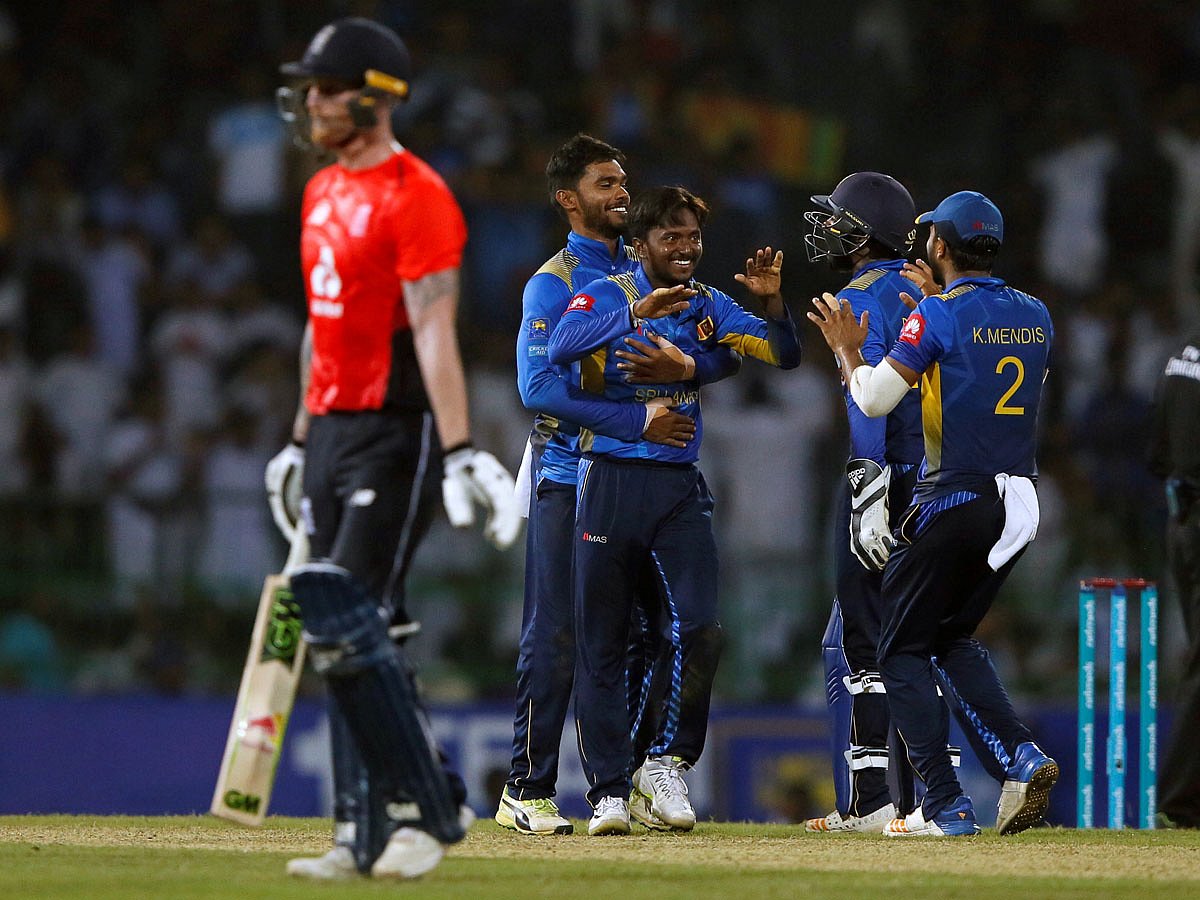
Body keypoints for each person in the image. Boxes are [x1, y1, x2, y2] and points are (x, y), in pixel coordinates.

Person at [265, 17, 521, 880]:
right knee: (354, 630)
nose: (310, 101)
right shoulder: (321, 191)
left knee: (351, 618)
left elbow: (435, 329)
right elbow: (320, 324)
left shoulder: (418, 193)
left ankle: (429, 807)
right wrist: (298, 438)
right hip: (333, 430)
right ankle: (359, 832)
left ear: (372, 97)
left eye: (325, 87)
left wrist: (457, 449)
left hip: (394, 428)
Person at [499, 135, 740, 836]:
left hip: (648, 479)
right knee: (561, 636)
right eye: (605, 184)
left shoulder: (655, 270)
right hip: (567, 474)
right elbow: (537, 386)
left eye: (624, 181)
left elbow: (719, 353)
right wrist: (637, 420)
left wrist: (692, 371)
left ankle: (631, 777)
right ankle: (527, 786)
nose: (621, 193)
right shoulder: (553, 281)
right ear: (569, 200)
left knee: (655, 633)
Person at [548, 186, 800, 835]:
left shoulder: (709, 303)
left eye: (693, 237)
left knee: (700, 628)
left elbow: (781, 353)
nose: (686, 249)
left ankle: (664, 762)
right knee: (605, 643)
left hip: (677, 487)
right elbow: (560, 348)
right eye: (672, 237)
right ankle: (607, 789)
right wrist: (636, 312)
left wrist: (768, 310)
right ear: (640, 245)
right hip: (607, 480)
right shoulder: (606, 290)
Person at [807, 190, 1058, 837]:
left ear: (938, 246)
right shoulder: (1037, 314)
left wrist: (846, 349)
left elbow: (873, 398)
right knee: (949, 638)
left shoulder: (936, 316)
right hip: (1023, 503)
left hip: (955, 496)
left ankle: (942, 803)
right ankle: (1021, 755)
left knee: (899, 651)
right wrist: (931, 302)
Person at [800, 172, 924, 833]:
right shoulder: (927, 288)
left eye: (838, 219)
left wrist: (868, 486)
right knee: (914, 638)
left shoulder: (862, 295)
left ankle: (873, 801)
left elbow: (866, 399)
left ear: (863, 229)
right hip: (940, 480)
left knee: (861, 645)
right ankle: (927, 797)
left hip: (887, 480)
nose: (828, 229)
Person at [1148, 332, 1200, 829]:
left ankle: (1183, 800)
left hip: (1181, 521)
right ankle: (1181, 801)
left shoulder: (1179, 355)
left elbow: (1157, 450)